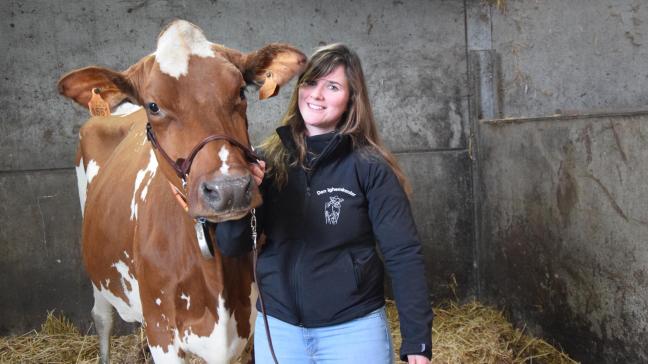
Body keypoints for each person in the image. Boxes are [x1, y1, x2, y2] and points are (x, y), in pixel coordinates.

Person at [216, 43, 432, 364]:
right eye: (311, 82)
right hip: (280, 330)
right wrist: (243, 196)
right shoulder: (265, 163)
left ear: (351, 101)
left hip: (353, 332)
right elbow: (232, 245)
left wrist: (417, 340)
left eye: (332, 87)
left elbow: (403, 254)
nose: (317, 95)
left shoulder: (369, 167)